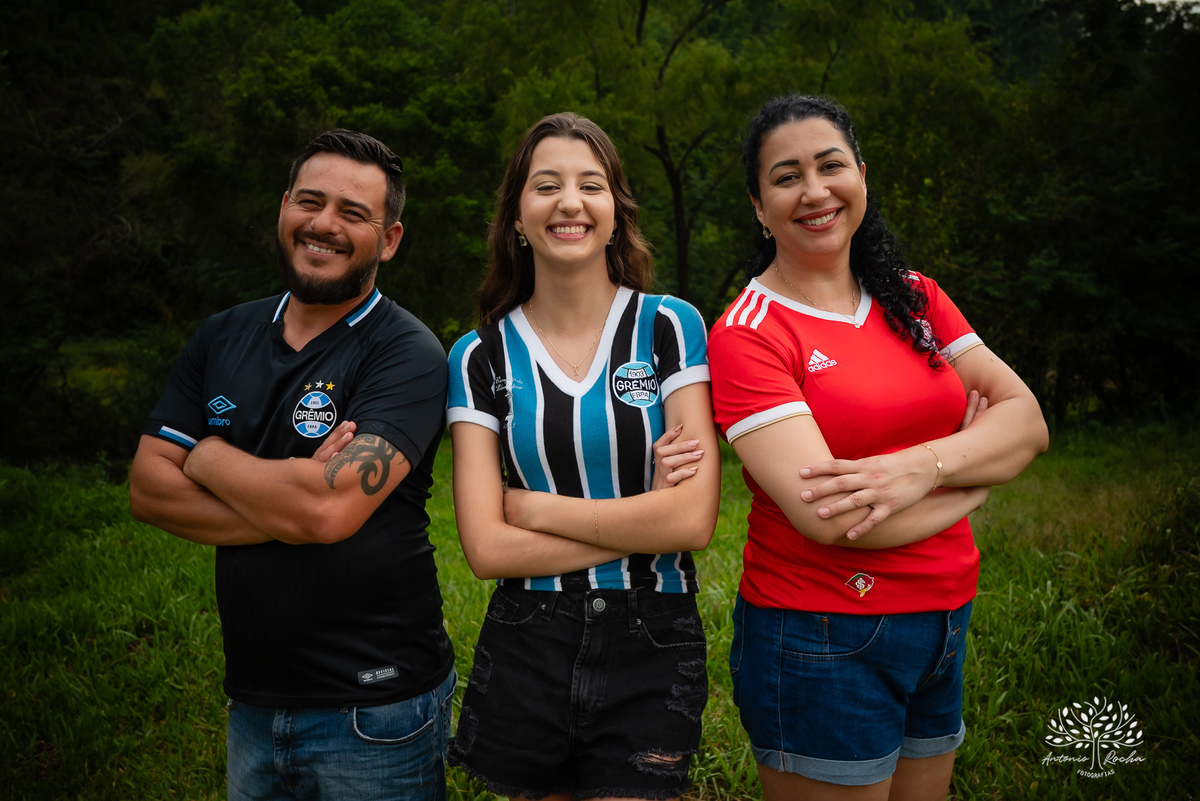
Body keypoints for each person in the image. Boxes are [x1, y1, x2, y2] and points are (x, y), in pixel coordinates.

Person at [707, 95, 1049, 800]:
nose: (815, 190)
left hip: (946, 620)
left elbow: (1028, 423)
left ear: (861, 173)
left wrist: (919, 467)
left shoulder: (915, 298)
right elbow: (830, 518)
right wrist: (974, 481)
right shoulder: (748, 331)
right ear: (758, 206)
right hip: (821, 635)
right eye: (786, 176)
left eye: (831, 165)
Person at [129, 129, 456, 801]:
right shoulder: (222, 334)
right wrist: (297, 499)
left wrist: (208, 453)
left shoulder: (408, 352)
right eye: (311, 201)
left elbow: (326, 507)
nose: (325, 224)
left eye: (353, 213)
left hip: (376, 709)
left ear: (388, 239)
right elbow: (148, 489)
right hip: (251, 699)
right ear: (283, 208)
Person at [443, 112, 721, 801]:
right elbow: (486, 550)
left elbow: (691, 523)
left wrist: (535, 508)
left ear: (615, 211)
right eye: (547, 186)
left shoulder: (668, 327)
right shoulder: (478, 357)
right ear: (516, 216)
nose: (570, 202)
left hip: (653, 635)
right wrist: (641, 519)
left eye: (590, 185)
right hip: (528, 642)